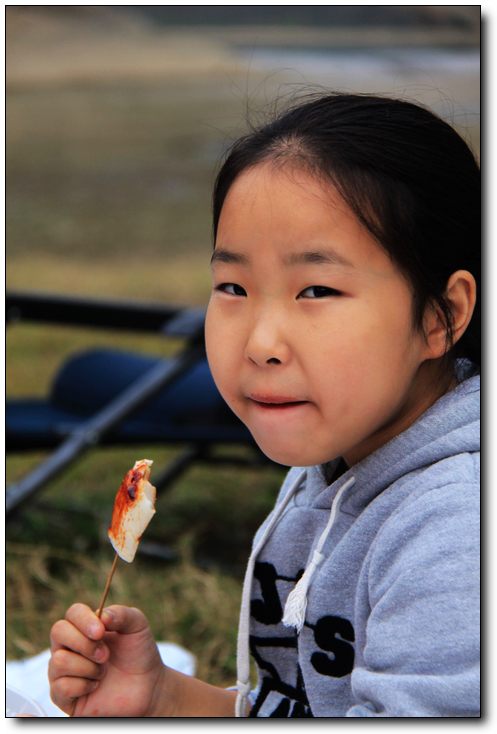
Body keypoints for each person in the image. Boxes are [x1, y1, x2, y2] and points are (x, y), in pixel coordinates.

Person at [48, 92, 480, 717]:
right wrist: (164, 699)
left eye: (317, 290)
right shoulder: (331, 465)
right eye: (233, 286)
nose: (260, 343)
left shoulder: (457, 532)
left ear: (443, 316)